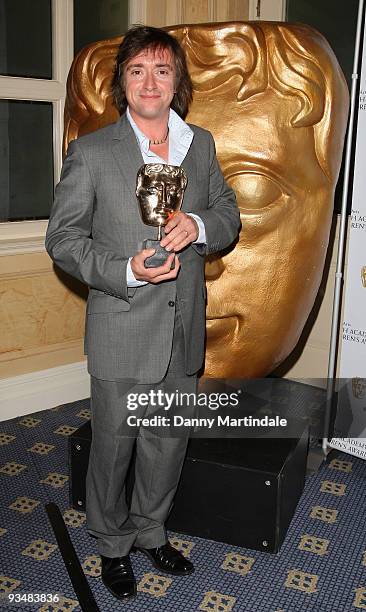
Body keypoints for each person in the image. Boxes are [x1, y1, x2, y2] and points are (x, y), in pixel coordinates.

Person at [45, 25, 240, 601]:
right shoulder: (93, 151)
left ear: (177, 82)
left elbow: (228, 213)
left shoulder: (199, 145)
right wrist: (126, 270)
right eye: (137, 70)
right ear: (122, 83)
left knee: (167, 443)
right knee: (114, 448)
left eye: (162, 70)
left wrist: (200, 224)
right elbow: (63, 240)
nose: (150, 82)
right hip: (122, 327)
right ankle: (111, 545)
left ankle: (152, 532)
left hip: (182, 330)